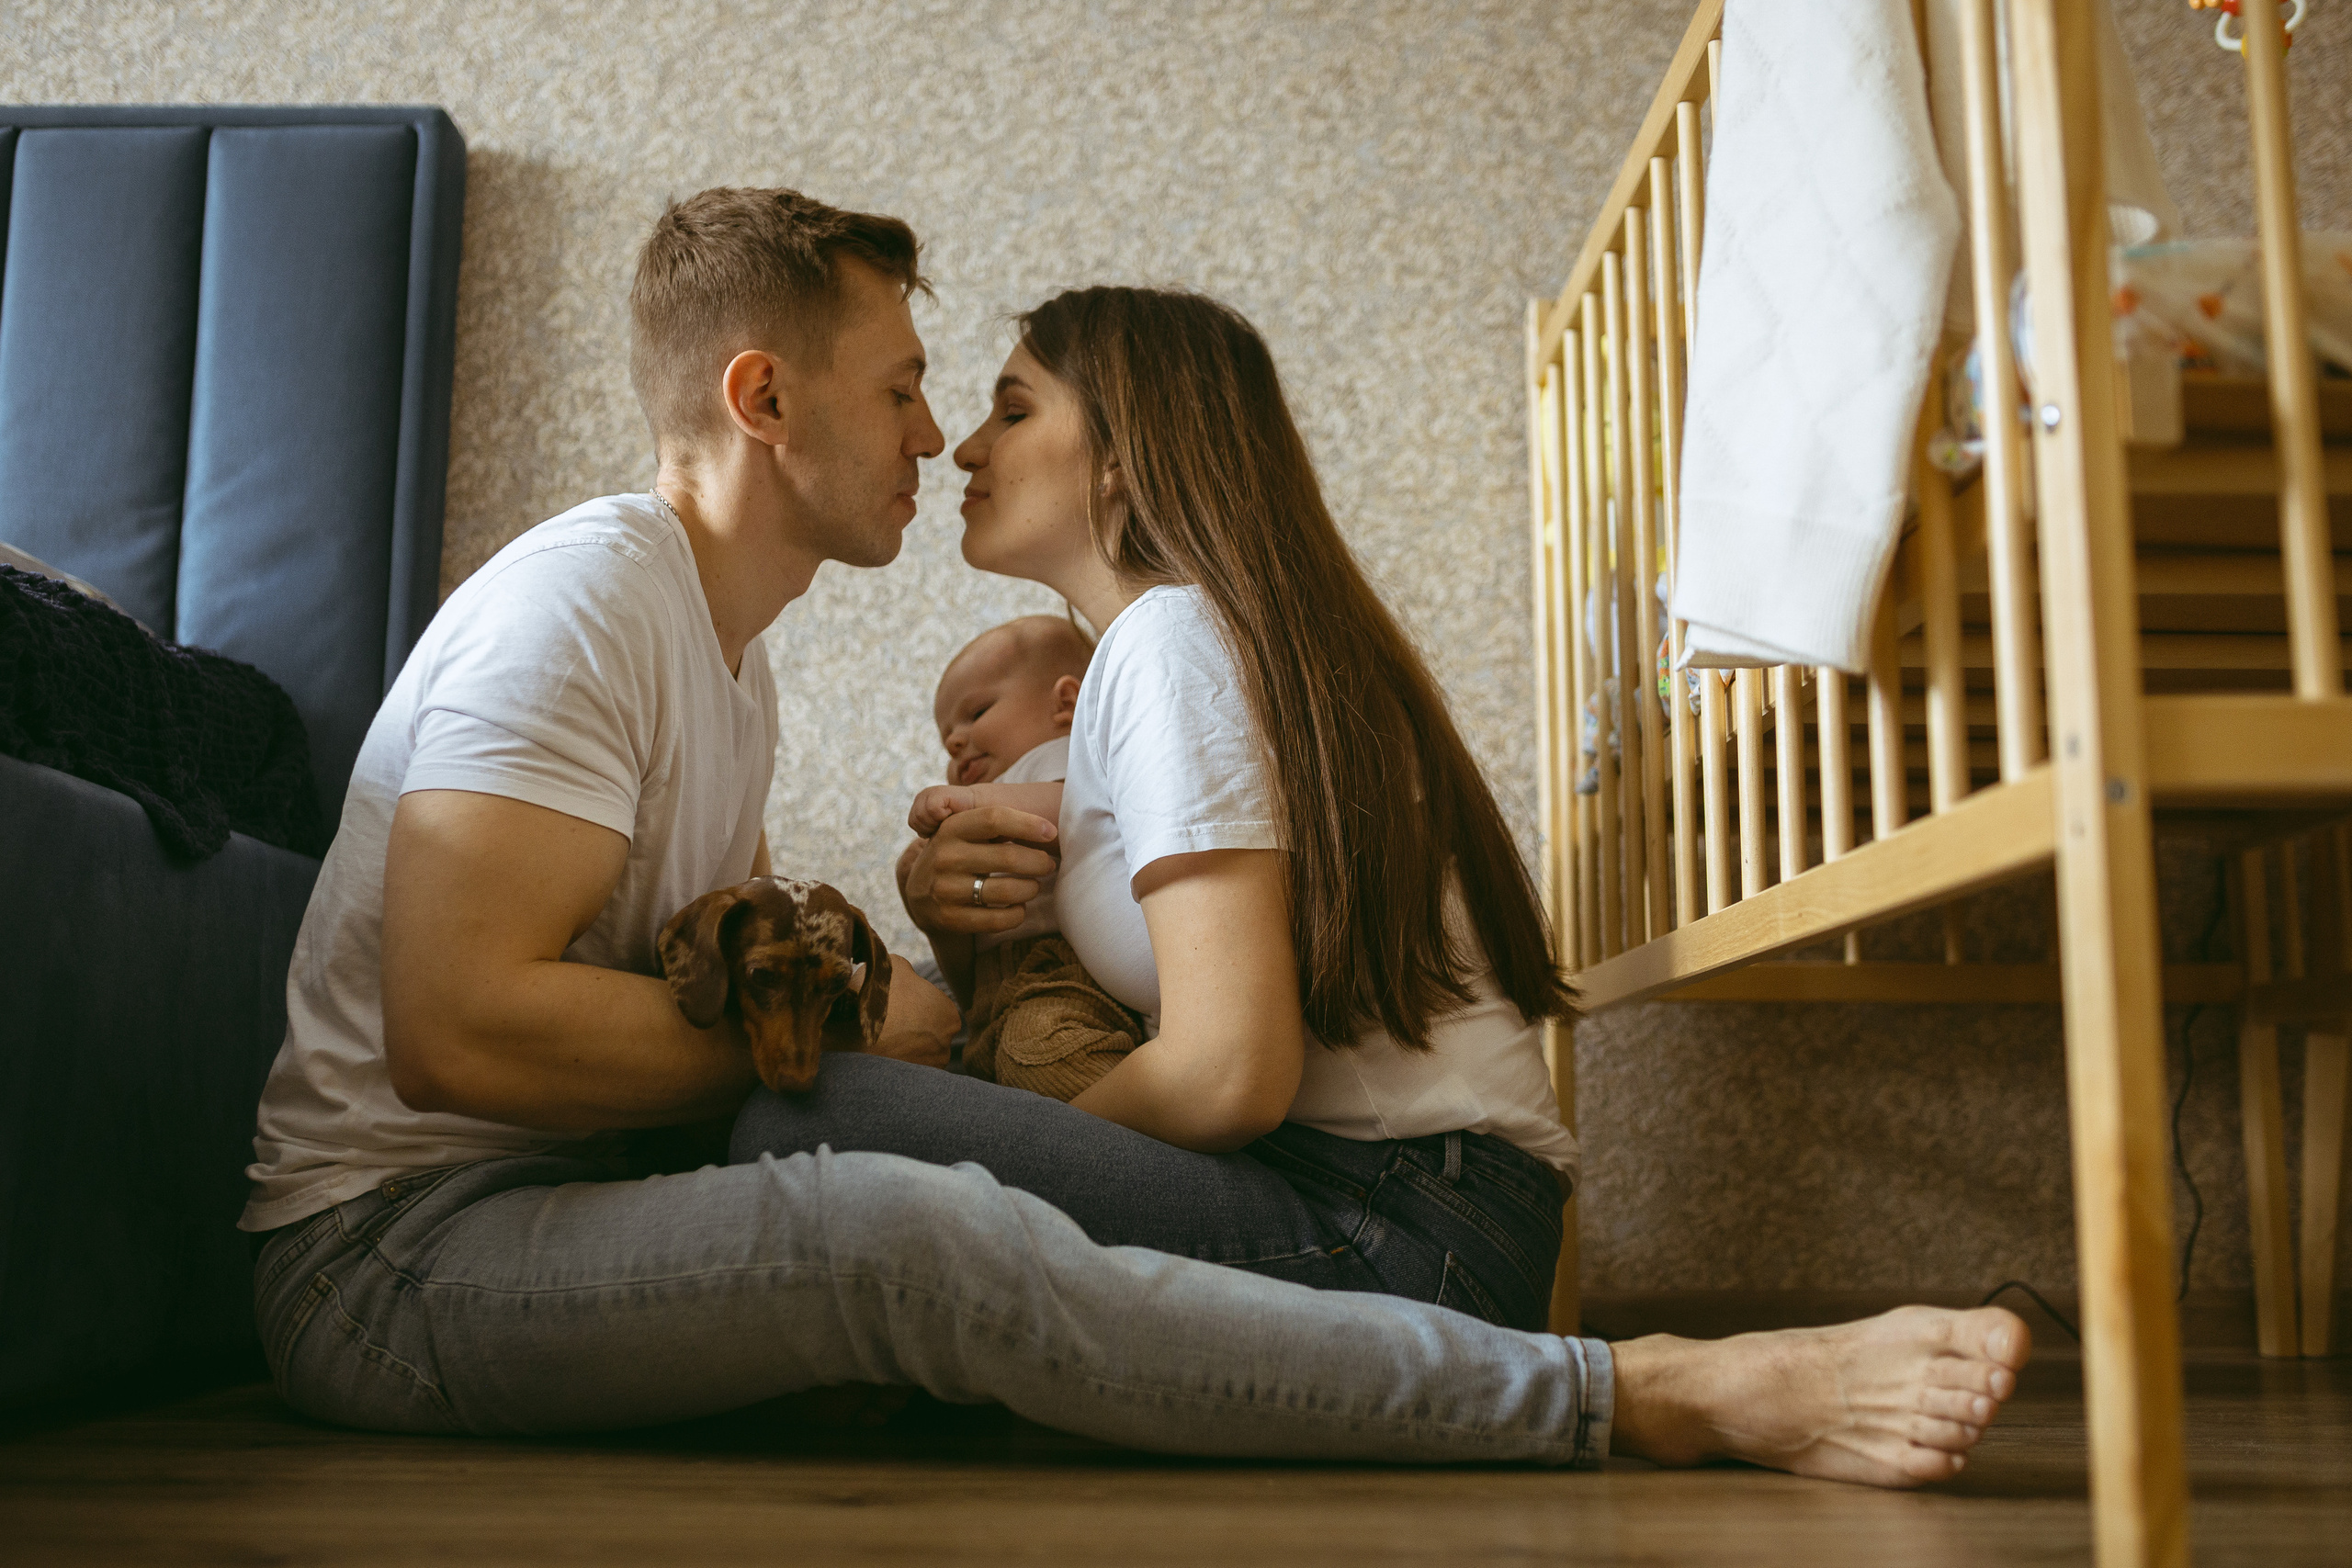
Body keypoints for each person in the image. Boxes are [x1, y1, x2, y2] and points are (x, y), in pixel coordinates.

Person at [237, 185, 2027, 1486]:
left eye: (989, 400)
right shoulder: (593, 605)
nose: (939, 437)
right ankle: (1616, 1388)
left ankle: (1604, 1388)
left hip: (1384, 1206)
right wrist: (916, 1000)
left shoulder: (982, 658)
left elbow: (1188, 1051)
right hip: (399, 1248)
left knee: (857, 1144)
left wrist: (924, 1018)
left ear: (1120, 454)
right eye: (908, 387)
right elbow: (469, 1025)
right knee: (859, 1161)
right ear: (763, 400)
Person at [737, 286, 1584, 1333]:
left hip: (1401, 1225)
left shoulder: (1169, 642)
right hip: (1402, 1199)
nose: (962, 448)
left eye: (1011, 411)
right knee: (872, 1043)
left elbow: (1226, 1075)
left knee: (807, 1110)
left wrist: (1012, 1163)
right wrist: (950, 916)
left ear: (1121, 457)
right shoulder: (1189, 647)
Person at [910, 616, 1146, 1098]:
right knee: (996, 1065)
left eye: (975, 713)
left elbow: (1081, 813)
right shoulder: (994, 789)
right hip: (997, 993)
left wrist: (979, 805)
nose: (955, 741)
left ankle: (1147, 1126)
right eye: (946, 737)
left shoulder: (1063, 757)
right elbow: (966, 970)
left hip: (1064, 972)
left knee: (1042, 1052)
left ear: (1066, 703)